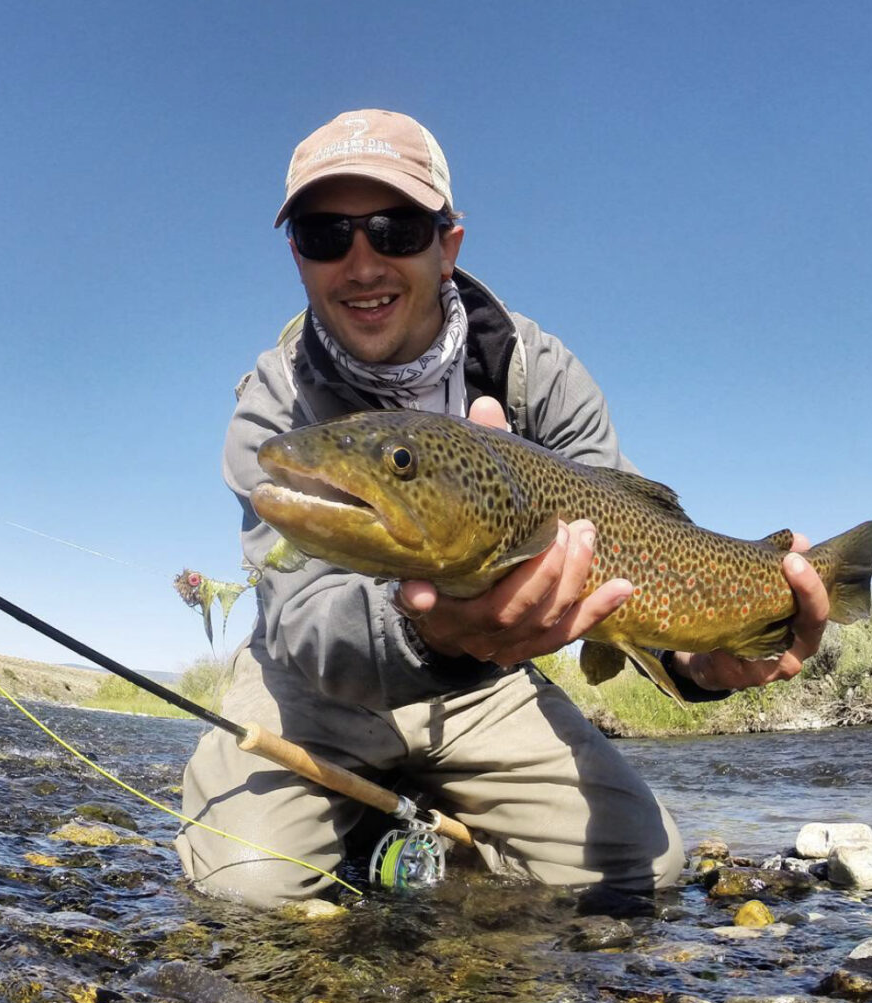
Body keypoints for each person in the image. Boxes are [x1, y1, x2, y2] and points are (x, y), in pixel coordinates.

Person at [175, 109, 830, 907]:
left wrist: (703, 661)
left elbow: (642, 555)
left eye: (395, 228)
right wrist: (428, 630)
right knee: (250, 889)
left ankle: (423, 833)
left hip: (488, 684)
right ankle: (377, 815)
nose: (361, 261)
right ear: (298, 258)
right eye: (325, 234)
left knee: (640, 872)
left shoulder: (539, 373)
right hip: (313, 689)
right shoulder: (274, 407)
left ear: (447, 244)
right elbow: (301, 620)